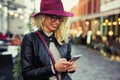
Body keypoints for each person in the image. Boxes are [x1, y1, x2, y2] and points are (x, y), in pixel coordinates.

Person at [20, 0, 77, 80]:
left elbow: (66, 65)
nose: (57, 22)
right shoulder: (30, 39)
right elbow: (27, 74)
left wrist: (71, 68)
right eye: (53, 17)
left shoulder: (63, 39)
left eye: (60, 18)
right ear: (42, 17)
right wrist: (53, 69)